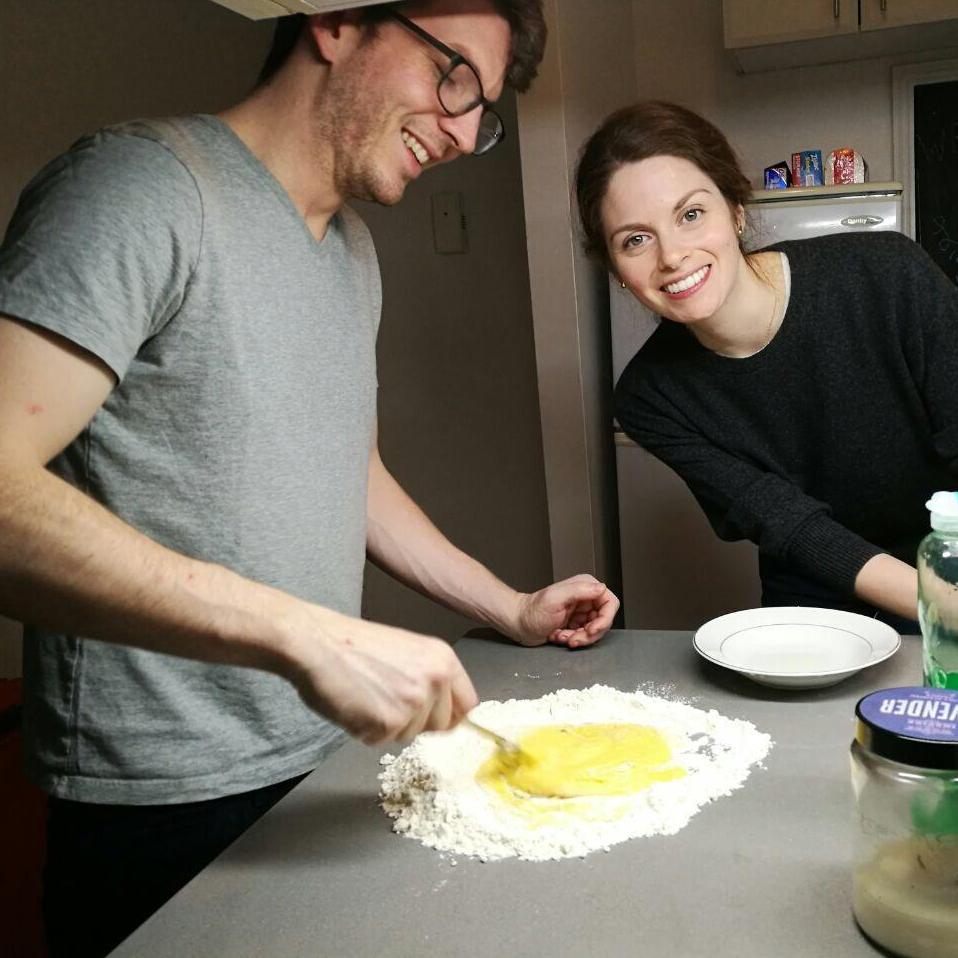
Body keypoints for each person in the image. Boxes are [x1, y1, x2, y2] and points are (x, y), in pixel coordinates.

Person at [0, 3, 619, 954]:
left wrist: (509, 607)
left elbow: (350, 471)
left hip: (321, 764)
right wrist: (310, 637)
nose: (462, 132)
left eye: (480, 111)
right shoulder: (142, 187)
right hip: (162, 801)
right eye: (454, 75)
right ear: (336, 21)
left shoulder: (350, 254)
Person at [575, 100, 958, 632]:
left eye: (690, 214)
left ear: (735, 208)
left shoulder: (887, 275)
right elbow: (793, 527)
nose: (671, 256)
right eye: (635, 239)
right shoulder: (650, 398)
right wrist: (935, 602)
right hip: (817, 605)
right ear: (615, 267)